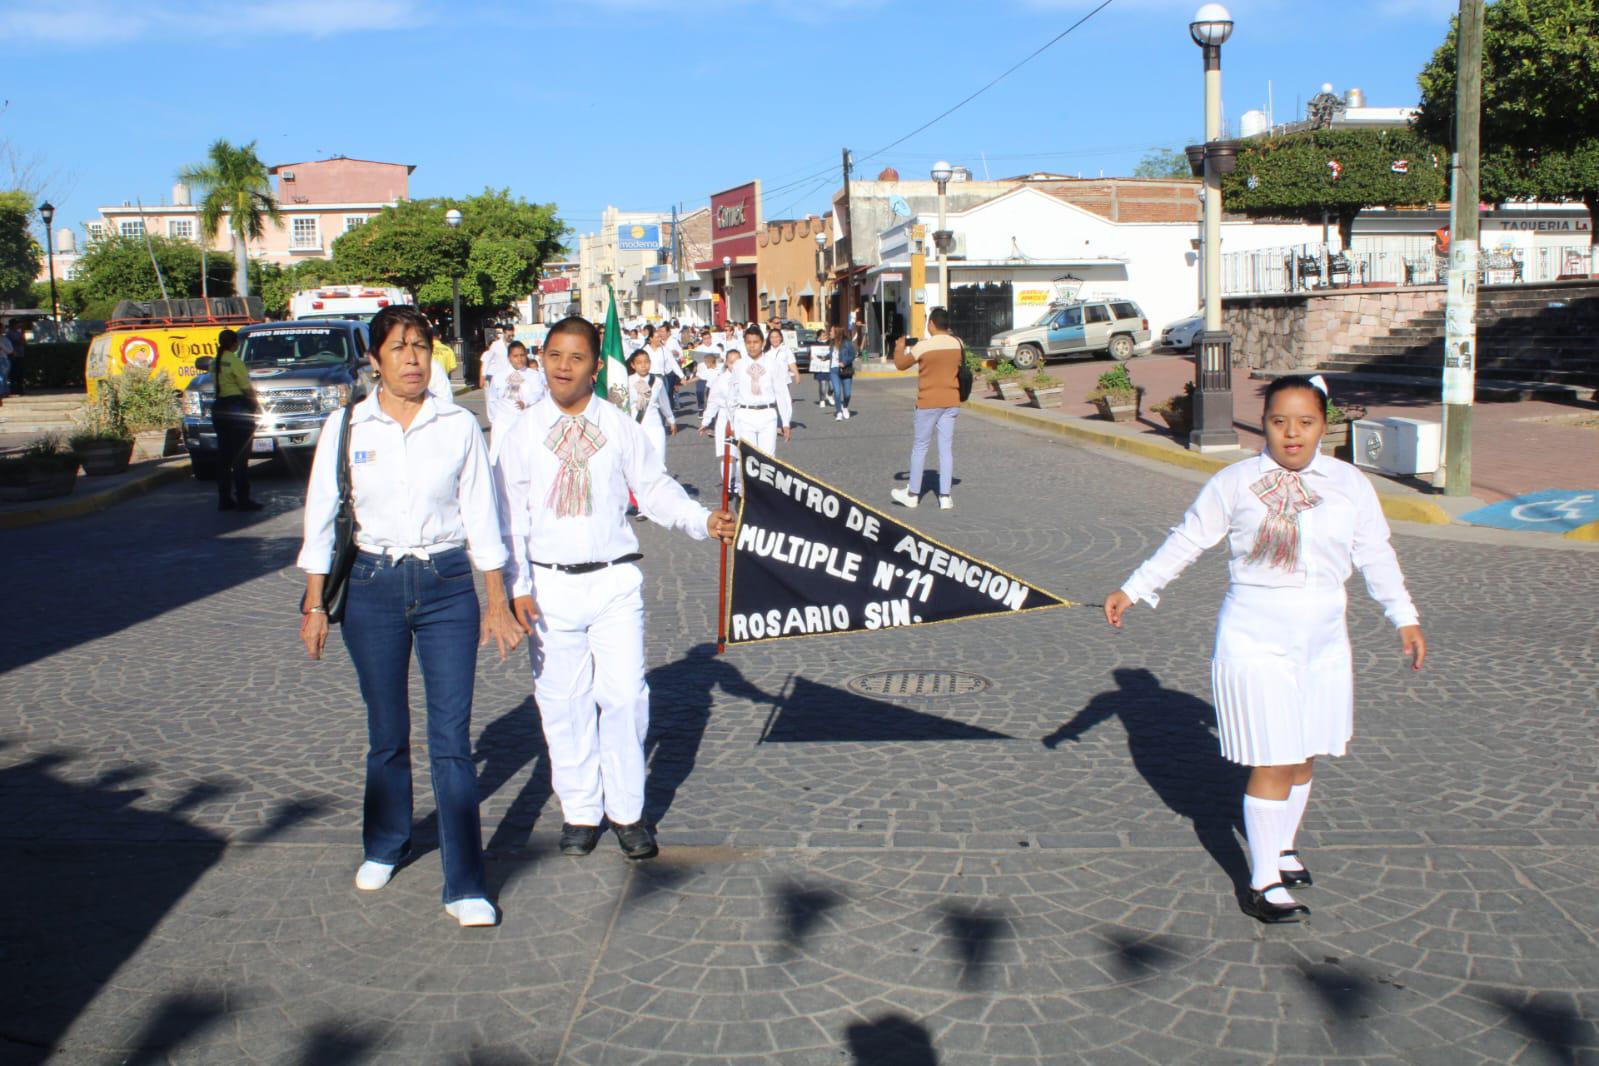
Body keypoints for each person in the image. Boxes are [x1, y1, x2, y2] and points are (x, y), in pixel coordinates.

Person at [1103, 374, 1426, 925]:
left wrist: (1405, 617)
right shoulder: (1235, 482)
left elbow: (1376, 553)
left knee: (1303, 756)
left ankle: (1281, 847)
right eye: (1279, 422)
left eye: (1305, 422)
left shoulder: (1350, 484)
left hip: (1323, 638)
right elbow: (1189, 538)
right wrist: (1134, 588)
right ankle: (1262, 882)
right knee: (1274, 757)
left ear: (1325, 425)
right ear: (1264, 424)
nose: (1292, 434)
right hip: (1254, 635)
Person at [298, 304, 524, 929]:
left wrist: (495, 601)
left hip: (447, 585)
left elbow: (483, 516)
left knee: (451, 741)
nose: (412, 359)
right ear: (374, 359)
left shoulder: (456, 425)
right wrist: (316, 604)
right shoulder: (347, 427)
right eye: (398, 348)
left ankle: (465, 884)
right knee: (386, 732)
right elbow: (321, 519)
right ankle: (386, 842)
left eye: (421, 346)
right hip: (371, 586)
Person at [491, 316, 736, 861]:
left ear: (595, 366)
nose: (562, 366)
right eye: (553, 355)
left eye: (575, 357)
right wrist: (517, 586)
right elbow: (509, 517)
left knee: (625, 698)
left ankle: (627, 812)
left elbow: (652, 487)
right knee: (564, 704)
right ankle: (580, 811)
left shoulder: (618, 424)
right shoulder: (522, 432)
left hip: (614, 581)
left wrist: (702, 520)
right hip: (549, 587)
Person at [890, 308, 963, 510]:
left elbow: (900, 364)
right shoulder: (958, 343)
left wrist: (899, 347)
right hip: (951, 401)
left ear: (931, 324)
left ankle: (913, 494)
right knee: (945, 450)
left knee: (920, 447)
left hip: (928, 402)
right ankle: (945, 496)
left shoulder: (923, 346)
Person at [211, 329, 262, 512]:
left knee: (224, 457)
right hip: (237, 408)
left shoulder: (215, 362)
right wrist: (257, 405)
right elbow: (246, 388)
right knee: (241, 456)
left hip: (220, 408)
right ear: (234, 344)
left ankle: (224, 499)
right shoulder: (235, 362)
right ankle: (243, 499)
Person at [724, 325, 793, 457]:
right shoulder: (739, 365)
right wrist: (732, 423)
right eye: (748, 342)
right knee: (746, 459)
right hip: (745, 414)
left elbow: (782, 394)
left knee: (767, 459)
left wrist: (785, 422)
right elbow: (732, 394)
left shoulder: (772, 364)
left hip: (767, 414)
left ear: (762, 342)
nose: (752, 346)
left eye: (755, 342)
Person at [626, 347, 676, 463]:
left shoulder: (657, 381)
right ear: (633, 365)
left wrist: (671, 419)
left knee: (659, 459)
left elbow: (664, 402)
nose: (643, 365)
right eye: (639, 363)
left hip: (655, 425)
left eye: (646, 362)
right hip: (635, 425)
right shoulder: (627, 381)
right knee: (639, 462)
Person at [486, 341, 545, 431]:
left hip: (527, 424)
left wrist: (526, 402)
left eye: (522, 355)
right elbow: (492, 400)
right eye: (515, 356)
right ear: (509, 358)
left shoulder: (534, 375)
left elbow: (539, 394)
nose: (519, 359)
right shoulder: (499, 377)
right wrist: (495, 421)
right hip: (503, 426)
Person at [828, 325, 856, 420]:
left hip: (845, 370)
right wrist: (820, 357)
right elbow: (830, 355)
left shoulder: (847, 343)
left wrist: (845, 362)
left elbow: (853, 355)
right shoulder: (831, 343)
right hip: (834, 370)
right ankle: (839, 412)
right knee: (837, 391)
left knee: (847, 394)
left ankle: (845, 407)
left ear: (837, 332)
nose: (829, 333)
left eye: (831, 331)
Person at [809, 332, 834, 408]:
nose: (825, 336)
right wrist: (810, 357)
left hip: (829, 367)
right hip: (820, 368)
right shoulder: (814, 344)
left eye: (826, 335)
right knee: (822, 384)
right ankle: (822, 400)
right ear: (819, 336)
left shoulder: (831, 343)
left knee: (832, 385)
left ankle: (829, 395)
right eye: (823, 335)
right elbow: (810, 354)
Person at [5, 320, 24, 396]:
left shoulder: (18, 333)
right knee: (14, 373)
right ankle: (14, 389)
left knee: (20, 373)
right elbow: (17, 342)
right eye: (17, 324)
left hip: (20, 354)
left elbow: (23, 342)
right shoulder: (9, 333)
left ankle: (20, 389)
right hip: (14, 355)